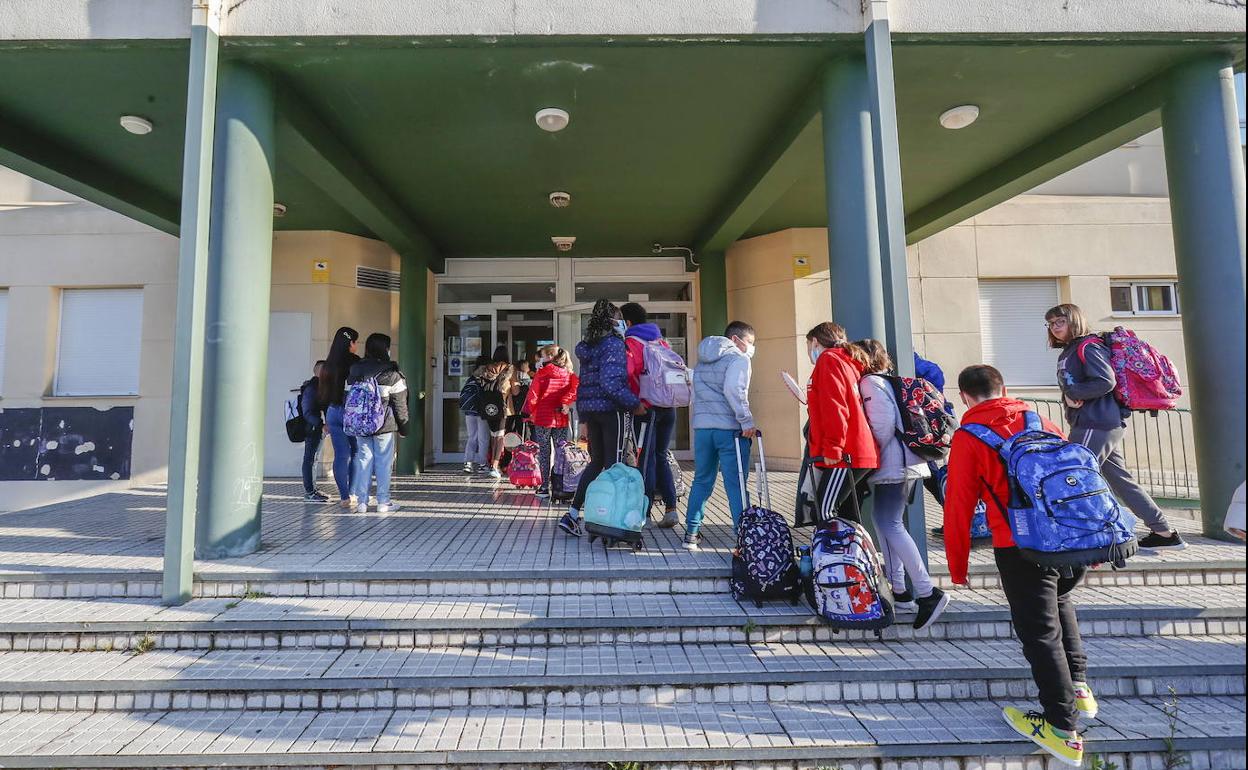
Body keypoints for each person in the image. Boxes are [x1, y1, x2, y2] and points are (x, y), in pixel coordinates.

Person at [944, 364, 1089, 767]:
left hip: (1020, 545)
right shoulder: (1036, 418)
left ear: (964, 397)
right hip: (1069, 537)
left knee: (1039, 634)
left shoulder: (969, 437)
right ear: (1003, 388)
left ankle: (1063, 730)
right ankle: (1078, 689)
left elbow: (958, 505)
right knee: (1061, 605)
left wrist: (957, 566)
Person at [1045, 303, 1184, 550]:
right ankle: (1164, 533)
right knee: (1121, 481)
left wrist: (1074, 393)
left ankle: (1083, 535)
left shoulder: (1088, 347)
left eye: (1060, 321)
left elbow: (1105, 381)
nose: (1055, 328)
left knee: (1073, 475)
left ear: (1074, 320)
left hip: (1094, 423)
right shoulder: (1072, 349)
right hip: (1097, 423)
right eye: (1051, 323)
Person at [852, 339, 949, 631]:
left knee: (890, 523)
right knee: (883, 522)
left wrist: (868, 458)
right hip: (904, 462)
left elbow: (881, 425)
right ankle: (901, 592)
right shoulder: (888, 380)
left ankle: (927, 592)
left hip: (893, 464)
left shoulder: (870, 383)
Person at [563, 300, 643, 536]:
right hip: (611, 411)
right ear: (612, 321)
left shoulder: (588, 347)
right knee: (616, 466)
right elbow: (611, 383)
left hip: (592, 410)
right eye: (618, 318)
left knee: (596, 463)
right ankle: (612, 519)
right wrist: (634, 403)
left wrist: (585, 417)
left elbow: (586, 384)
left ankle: (573, 513)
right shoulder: (613, 344)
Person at [683, 320, 757, 550]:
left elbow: (695, 392)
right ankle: (743, 537)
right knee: (735, 483)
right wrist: (746, 421)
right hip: (730, 430)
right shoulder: (739, 359)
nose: (751, 347)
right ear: (735, 339)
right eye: (750, 342)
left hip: (703, 429)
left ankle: (691, 534)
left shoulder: (703, 360)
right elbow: (734, 390)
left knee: (702, 480)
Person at [802, 322, 878, 525]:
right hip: (856, 450)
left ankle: (836, 555)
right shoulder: (847, 361)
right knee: (849, 516)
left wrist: (833, 448)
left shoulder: (828, 359)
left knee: (825, 512)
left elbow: (835, 407)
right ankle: (854, 556)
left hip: (845, 453)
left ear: (815, 342)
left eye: (809, 346)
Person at [621, 302, 680, 528]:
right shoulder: (660, 340)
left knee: (645, 458)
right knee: (661, 456)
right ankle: (671, 509)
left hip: (646, 408)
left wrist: (632, 401)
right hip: (668, 407)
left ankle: (643, 512)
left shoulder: (632, 342)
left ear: (627, 322)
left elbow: (627, 372)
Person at [344, 333, 409, 513]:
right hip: (384, 425)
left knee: (363, 460)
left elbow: (347, 398)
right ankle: (383, 501)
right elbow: (400, 404)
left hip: (360, 425)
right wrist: (404, 427)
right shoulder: (392, 372)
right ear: (385, 349)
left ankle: (362, 502)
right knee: (383, 463)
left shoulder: (356, 369)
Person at [523, 344, 579, 499]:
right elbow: (576, 388)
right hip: (561, 417)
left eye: (542, 355)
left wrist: (531, 413)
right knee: (561, 452)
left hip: (543, 417)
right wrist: (565, 402)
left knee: (545, 452)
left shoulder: (542, 373)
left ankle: (543, 487)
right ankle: (561, 486)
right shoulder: (569, 374)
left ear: (549, 357)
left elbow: (533, 395)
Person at [319, 326, 361, 508]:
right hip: (350, 412)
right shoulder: (355, 362)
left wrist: (324, 420)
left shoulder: (327, 365)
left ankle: (344, 496)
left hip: (332, 411)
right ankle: (352, 493)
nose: (356, 345)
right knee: (356, 452)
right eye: (355, 341)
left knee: (341, 455)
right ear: (350, 343)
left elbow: (322, 394)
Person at [477, 360, 516, 479]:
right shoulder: (509, 370)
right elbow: (515, 391)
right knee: (499, 438)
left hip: (489, 408)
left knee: (494, 436)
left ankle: (492, 464)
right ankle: (495, 465)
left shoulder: (486, 369)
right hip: (503, 409)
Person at [300, 360, 330, 502]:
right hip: (312, 429)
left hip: (315, 428)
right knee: (310, 459)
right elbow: (308, 412)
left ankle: (312, 489)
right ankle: (310, 492)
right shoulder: (312, 388)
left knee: (313, 459)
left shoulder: (317, 387)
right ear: (320, 372)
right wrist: (321, 425)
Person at [460, 357, 490, 474]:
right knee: (483, 439)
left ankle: (468, 462)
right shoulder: (483, 380)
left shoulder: (470, 380)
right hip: (481, 413)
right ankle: (482, 464)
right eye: (483, 368)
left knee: (472, 437)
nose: (484, 371)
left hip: (469, 412)